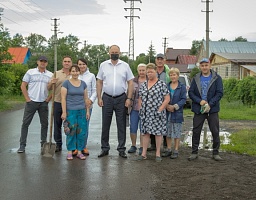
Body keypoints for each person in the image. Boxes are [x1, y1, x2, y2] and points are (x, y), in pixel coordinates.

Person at [96, 45, 134, 158]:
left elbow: (130, 83)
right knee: (105, 124)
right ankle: (104, 148)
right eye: (112, 52)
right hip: (107, 98)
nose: (114, 53)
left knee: (121, 124)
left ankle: (121, 149)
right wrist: (99, 97)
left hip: (121, 98)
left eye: (116, 52)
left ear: (120, 53)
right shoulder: (103, 65)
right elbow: (99, 82)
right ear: (109, 53)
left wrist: (129, 98)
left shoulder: (125, 66)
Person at [188, 58, 223, 161]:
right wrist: (199, 101)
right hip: (199, 109)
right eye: (202, 65)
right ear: (200, 67)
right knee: (196, 131)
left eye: (206, 65)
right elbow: (191, 93)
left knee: (215, 131)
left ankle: (215, 153)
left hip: (212, 109)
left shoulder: (217, 78)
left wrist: (210, 104)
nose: (204, 67)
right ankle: (194, 152)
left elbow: (219, 93)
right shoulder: (196, 78)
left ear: (210, 66)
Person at [17, 56, 53, 153]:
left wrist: (48, 99)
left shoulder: (50, 75)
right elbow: (23, 85)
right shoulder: (30, 72)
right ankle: (22, 145)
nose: (43, 63)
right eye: (41, 61)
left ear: (47, 63)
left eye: (45, 61)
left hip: (43, 103)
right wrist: (27, 99)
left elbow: (54, 89)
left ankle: (43, 145)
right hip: (31, 102)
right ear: (37, 62)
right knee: (25, 123)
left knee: (44, 124)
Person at [137, 63, 170, 162]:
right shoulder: (144, 84)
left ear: (155, 71)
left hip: (157, 113)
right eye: (148, 72)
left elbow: (167, 98)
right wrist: (140, 108)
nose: (149, 74)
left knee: (158, 133)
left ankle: (158, 153)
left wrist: (160, 109)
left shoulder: (161, 84)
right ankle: (144, 154)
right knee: (145, 133)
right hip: (146, 113)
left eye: (151, 72)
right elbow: (140, 98)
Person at [61, 64, 90, 160]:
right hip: (70, 111)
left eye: (77, 71)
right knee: (71, 131)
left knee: (81, 132)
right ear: (70, 72)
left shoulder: (83, 83)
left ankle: (80, 151)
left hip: (81, 111)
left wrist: (87, 111)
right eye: (73, 71)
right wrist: (64, 112)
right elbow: (63, 98)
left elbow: (86, 98)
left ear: (79, 72)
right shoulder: (66, 83)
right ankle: (70, 151)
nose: (75, 73)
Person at [68, 58, 96, 156]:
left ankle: (83, 146)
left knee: (84, 127)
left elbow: (94, 89)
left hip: (87, 105)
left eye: (83, 64)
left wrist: (91, 100)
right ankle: (75, 147)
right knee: (74, 126)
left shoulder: (91, 76)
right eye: (80, 64)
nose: (82, 66)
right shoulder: (74, 75)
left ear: (86, 65)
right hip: (74, 106)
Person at [48, 56, 72, 152]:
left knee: (70, 125)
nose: (66, 63)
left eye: (68, 61)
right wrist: (52, 83)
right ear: (62, 63)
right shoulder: (56, 73)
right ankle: (58, 144)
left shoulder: (74, 73)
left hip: (70, 103)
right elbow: (49, 88)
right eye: (65, 61)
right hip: (57, 101)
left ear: (71, 63)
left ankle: (71, 145)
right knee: (57, 124)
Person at [162, 67, 186, 159]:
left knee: (176, 132)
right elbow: (163, 97)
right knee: (168, 132)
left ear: (178, 75)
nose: (173, 76)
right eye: (171, 75)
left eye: (174, 75)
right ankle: (168, 149)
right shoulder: (166, 86)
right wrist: (167, 105)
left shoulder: (182, 87)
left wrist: (174, 106)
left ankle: (176, 150)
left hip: (177, 112)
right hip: (167, 113)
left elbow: (183, 99)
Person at [148, 53, 170, 151]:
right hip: (153, 102)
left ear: (164, 60)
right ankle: (153, 144)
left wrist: (167, 103)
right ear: (156, 60)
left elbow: (171, 86)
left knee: (165, 124)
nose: (160, 61)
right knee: (152, 122)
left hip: (165, 101)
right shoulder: (153, 71)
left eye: (162, 59)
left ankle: (165, 146)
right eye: (158, 59)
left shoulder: (168, 72)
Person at [127, 63, 147, 155]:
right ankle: (133, 145)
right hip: (134, 108)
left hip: (145, 109)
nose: (142, 72)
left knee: (143, 128)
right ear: (137, 71)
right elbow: (129, 92)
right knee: (133, 127)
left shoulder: (149, 80)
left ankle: (142, 146)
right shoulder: (133, 81)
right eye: (140, 70)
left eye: (143, 70)